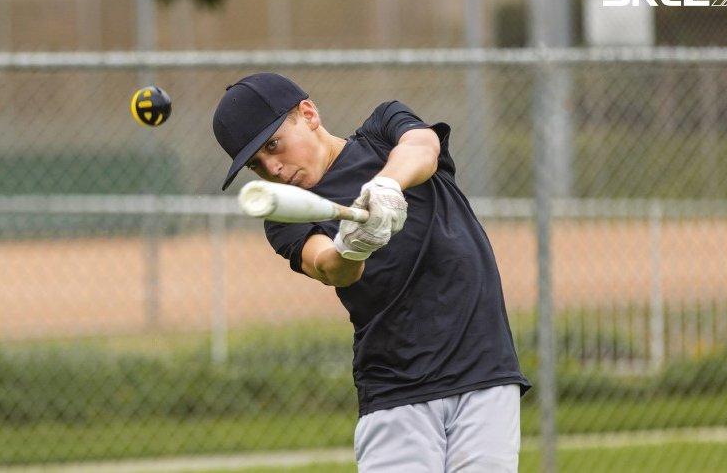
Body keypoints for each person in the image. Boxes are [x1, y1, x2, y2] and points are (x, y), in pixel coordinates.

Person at [212, 72, 530, 472]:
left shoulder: (383, 131)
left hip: (484, 371)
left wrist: (385, 186)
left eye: (273, 145)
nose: (272, 168)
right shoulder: (284, 215)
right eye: (257, 164)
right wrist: (353, 246)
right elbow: (330, 267)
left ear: (308, 114)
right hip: (395, 391)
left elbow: (423, 146)